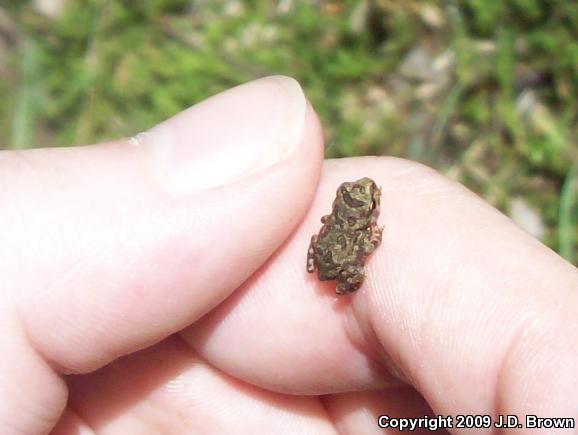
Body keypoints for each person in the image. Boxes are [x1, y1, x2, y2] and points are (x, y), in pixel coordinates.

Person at [1, 76, 576, 434]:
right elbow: (352, 237)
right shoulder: (362, 224)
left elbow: (337, 231)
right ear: (367, 207)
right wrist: (362, 249)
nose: (365, 200)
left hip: (325, 257)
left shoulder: (347, 218)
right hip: (333, 260)